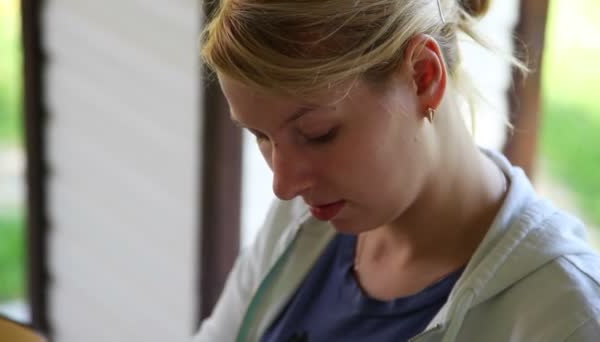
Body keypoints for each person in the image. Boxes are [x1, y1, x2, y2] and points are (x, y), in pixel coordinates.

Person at [194, 0, 600, 341]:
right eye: (261, 136)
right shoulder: (306, 220)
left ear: (424, 76)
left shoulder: (566, 317)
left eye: (318, 134)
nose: (283, 185)